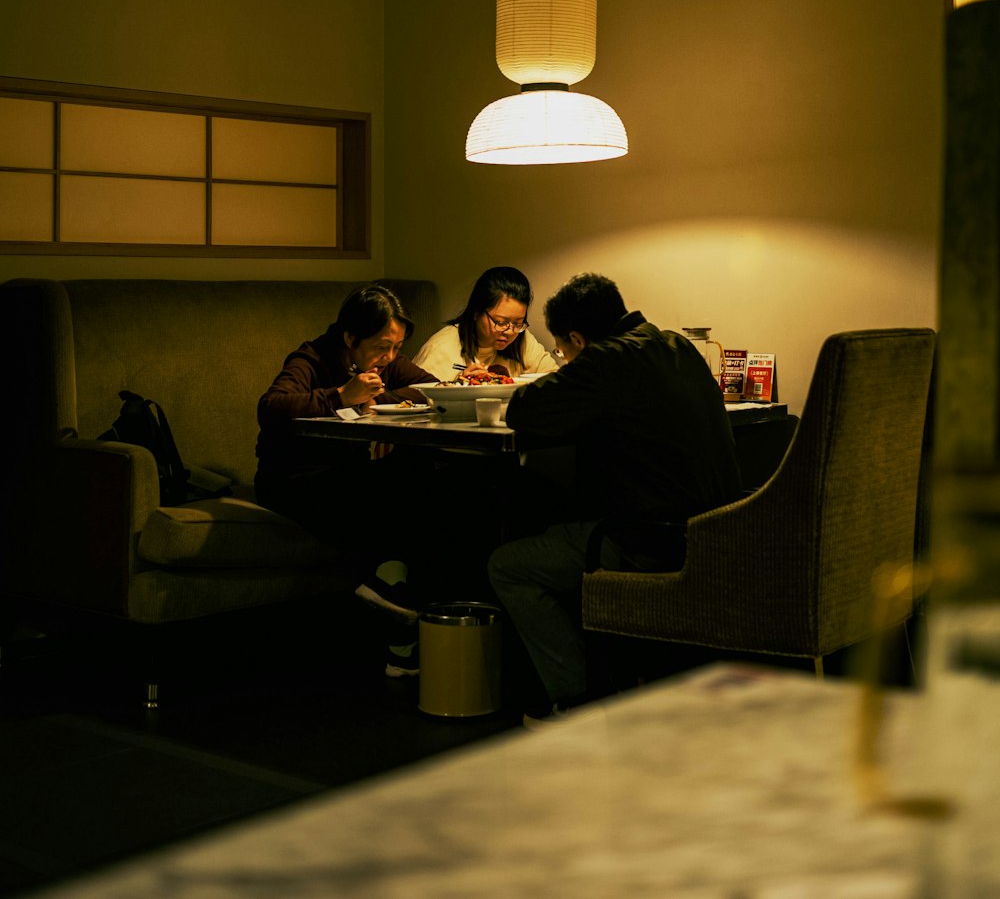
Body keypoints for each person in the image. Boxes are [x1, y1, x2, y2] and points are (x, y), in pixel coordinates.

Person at [487, 272, 742, 724]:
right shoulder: (678, 346)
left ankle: (576, 701)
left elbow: (526, 411)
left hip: (651, 544)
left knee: (509, 566)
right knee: (562, 526)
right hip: (715, 536)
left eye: (563, 351)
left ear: (578, 339)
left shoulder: (606, 359)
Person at [254, 283, 439, 679]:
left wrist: (376, 399)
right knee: (383, 498)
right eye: (381, 346)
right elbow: (271, 406)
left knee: (426, 475)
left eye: (396, 347)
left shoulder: (386, 362)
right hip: (292, 479)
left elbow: (430, 389)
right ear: (350, 336)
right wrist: (340, 395)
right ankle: (392, 608)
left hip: (347, 473)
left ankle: (392, 600)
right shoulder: (311, 357)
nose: (389, 357)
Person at [413, 265, 558, 381]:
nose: (509, 331)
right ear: (477, 312)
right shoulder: (442, 348)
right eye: (501, 322)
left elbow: (556, 379)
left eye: (518, 323)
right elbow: (416, 400)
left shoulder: (521, 338)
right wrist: (458, 384)